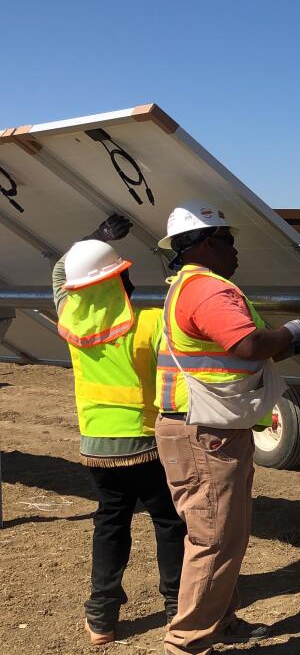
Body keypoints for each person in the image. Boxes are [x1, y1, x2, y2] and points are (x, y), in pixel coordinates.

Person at [154, 201, 300, 654]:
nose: (235, 249)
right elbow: (247, 344)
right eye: (228, 239)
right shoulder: (208, 290)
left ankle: (221, 620)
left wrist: (286, 340)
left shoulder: (186, 286)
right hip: (206, 433)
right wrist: (291, 332)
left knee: (226, 534)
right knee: (214, 539)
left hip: (207, 428)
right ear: (207, 243)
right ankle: (186, 644)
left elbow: (241, 349)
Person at [52, 215, 185, 646]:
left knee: (111, 522)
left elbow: (62, 273)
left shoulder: (70, 321)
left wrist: (95, 238)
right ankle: (175, 606)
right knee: (167, 522)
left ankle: (101, 618)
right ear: (121, 278)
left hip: (96, 447)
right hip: (146, 445)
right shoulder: (149, 323)